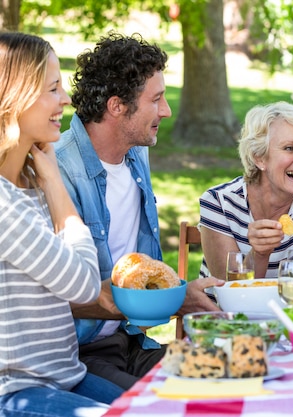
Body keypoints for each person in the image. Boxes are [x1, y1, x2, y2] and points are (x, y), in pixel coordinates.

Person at [54, 32, 223, 391]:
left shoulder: (136, 153)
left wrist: (178, 294)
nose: (167, 110)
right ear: (117, 106)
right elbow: (61, 296)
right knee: (157, 405)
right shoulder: (58, 171)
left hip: (132, 341)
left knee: (226, 376)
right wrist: (177, 297)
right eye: (157, 99)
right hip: (76, 353)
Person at [0, 31, 124, 416]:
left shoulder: (29, 185)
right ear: (15, 97)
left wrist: (46, 178)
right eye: (53, 88)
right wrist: (55, 179)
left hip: (65, 376)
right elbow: (84, 284)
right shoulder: (4, 203)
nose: (65, 100)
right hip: (15, 391)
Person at [199, 101, 293, 279]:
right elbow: (229, 290)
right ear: (259, 158)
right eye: (289, 148)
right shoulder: (219, 202)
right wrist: (259, 254)